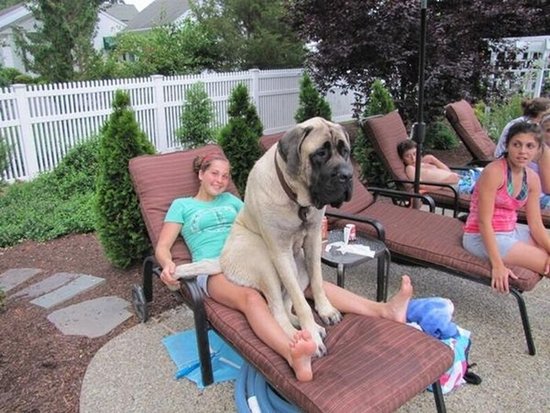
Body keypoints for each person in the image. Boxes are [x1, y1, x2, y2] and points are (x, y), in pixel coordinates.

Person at [155, 152, 413, 382]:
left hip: (252, 254)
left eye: (225, 176)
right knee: (250, 298)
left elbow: (258, 224)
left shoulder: (232, 201)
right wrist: (168, 265)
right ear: (201, 175)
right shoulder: (183, 206)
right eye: (214, 173)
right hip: (214, 268)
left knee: (312, 283)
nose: (220, 180)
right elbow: (163, 247)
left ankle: (383, 310)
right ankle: (292, 353)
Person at [462, 121, 550, 294]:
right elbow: (484, 222)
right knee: (544, 262)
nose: (522, 151)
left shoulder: (532, 179)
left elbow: (536, 224)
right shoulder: (494, 172)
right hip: (481, 236)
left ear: (538, 149)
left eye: (530, 146)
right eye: (517, 144)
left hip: (512, 232)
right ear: (507, 145)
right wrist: (498, 265)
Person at [397, 139, 480, 195]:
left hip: (463, 179)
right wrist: (446, 182)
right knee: (484, 189)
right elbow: (421, 186)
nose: (413, 158)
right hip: (456, 186)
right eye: (408, 156)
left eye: (415, 153)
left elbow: (448, 171)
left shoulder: (424, 163)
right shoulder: (410, 168)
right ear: (402, 159)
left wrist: (433, 159)